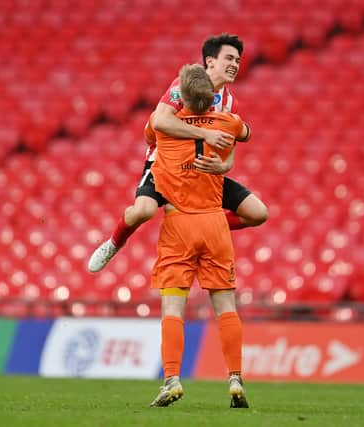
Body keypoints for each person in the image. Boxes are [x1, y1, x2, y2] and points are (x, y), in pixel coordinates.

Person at [87, 33, 268, 273]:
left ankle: (194, 225)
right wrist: (204, 134)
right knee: (143, 210)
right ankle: (114, 243)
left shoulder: (229, 102)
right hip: (165, 166)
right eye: (229, 58)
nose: (235, 65)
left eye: (237, 60)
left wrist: (224, 166)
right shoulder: (185, 85)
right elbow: (161, 121)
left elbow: (231, 141)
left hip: (201, 173)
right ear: (210, 61)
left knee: (257, 214)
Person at [148, 64, 249, 409]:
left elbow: (154, 126)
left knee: (173, 307)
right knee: (225, 307)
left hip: (179, 225)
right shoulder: (227, 123)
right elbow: (245, 131)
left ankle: (172, 379)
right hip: (215, 224)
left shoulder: (164, 130)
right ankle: (234, 378)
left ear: (181, 98)